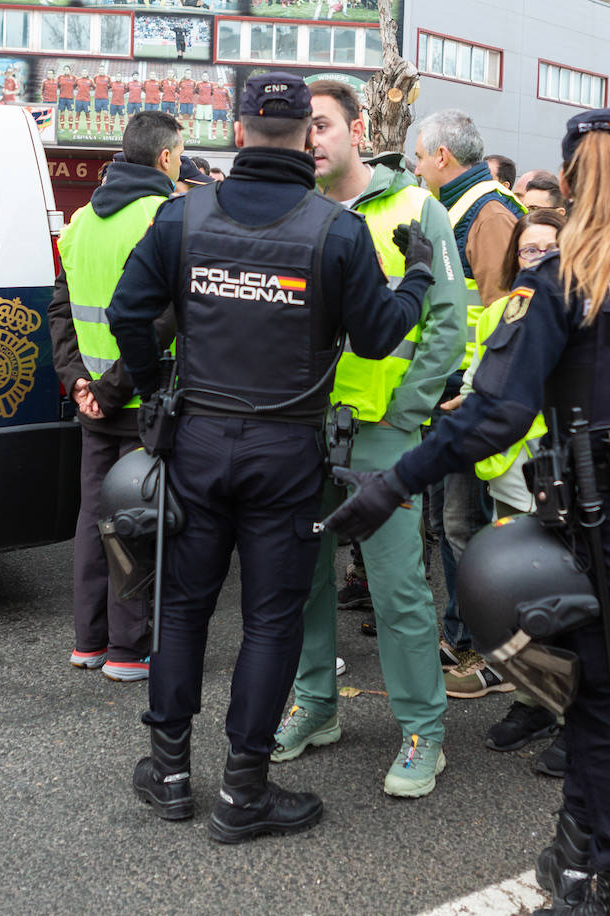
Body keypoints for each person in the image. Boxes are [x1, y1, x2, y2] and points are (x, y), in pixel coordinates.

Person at [324, 107, 610, 916]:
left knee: (609, 715)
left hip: (609, 526)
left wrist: (393, 484)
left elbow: (492, 417)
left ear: (565, 182)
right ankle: (573, 853)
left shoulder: (564, 278)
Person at [104, 72, 432, 843]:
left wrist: (153, 395)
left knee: (182, 607)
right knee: (271, 620)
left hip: (199, 438)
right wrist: (416, 275)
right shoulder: (337, 231)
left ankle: (172, 772)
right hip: (287, 449)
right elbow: (383, 335)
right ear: (308, 139)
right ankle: (242, 792)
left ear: (240, 128)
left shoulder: (183, 216)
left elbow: (128, 314)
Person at [272, 79, 464, 799]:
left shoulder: (418, 208)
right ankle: (315, 704)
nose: (310, 139)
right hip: (300, 427)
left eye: (321, 125)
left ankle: (423, 729)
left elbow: (448, 322)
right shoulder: (292, 210)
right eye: (300, 129)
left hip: (383, 433)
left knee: (396, 588)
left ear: (358, 130)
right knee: (302, 577)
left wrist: (407, 412)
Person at [49, 110, 184, 681]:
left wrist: (78, 380)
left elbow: (61, 308)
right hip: (144, 403)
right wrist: (109, 389)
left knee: (92, 517)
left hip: (92, 405)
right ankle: (129, 652)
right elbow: (163, 320)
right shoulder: (165, 217)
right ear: (166, 158)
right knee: (136, 519)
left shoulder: (81, 221)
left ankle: (89, 642)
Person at [412, 109, 525, 681]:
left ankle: (483, 646)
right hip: (448, 388)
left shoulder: (491, 212)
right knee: (445, 522)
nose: (413, 163)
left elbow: (503, 313)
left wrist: (477, 389)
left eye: (418, 153)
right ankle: (461, 631)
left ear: (442, 157)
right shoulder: (463, 205)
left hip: (469, 394)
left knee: (463, 523)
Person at [458, 207, 569, 766]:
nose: (538, 260)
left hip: (564, 473)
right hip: (508, 470)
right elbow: (480, 379)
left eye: (550, 250)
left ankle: (579, 711)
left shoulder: (583, 310)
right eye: (529, 250)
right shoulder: (497, 312)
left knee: (568, 595)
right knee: (522, 596)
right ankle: (535, 700)